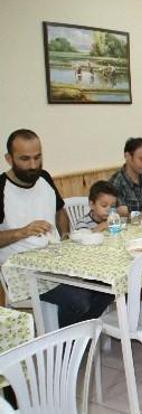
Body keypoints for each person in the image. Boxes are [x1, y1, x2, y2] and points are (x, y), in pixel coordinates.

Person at [0, 129, 111, 327]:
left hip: (56, 261)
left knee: (109, 285)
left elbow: (60, 211)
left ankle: (76, 340)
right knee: (79, 301)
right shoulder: (1, 187)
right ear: (9, 159)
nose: (33, 165)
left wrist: (66, 234)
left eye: (37, 157)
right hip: (23, 270)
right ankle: (64, 347)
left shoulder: (44, 178)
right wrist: (21, 232)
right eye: (25, 159)